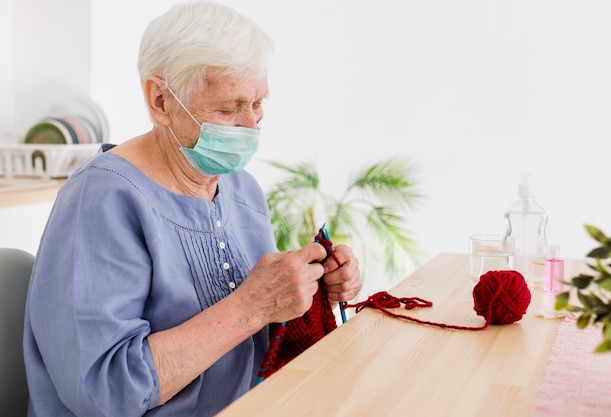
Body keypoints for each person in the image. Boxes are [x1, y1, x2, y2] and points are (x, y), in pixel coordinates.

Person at [23, 2, 362, 416]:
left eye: (258, 104)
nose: (251, 126)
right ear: (161, 101)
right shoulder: (102, 200)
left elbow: (261, 341)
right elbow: (104, 394)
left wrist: (309, 290)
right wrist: (252, 306)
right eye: (227, 108)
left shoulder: (242, 190)